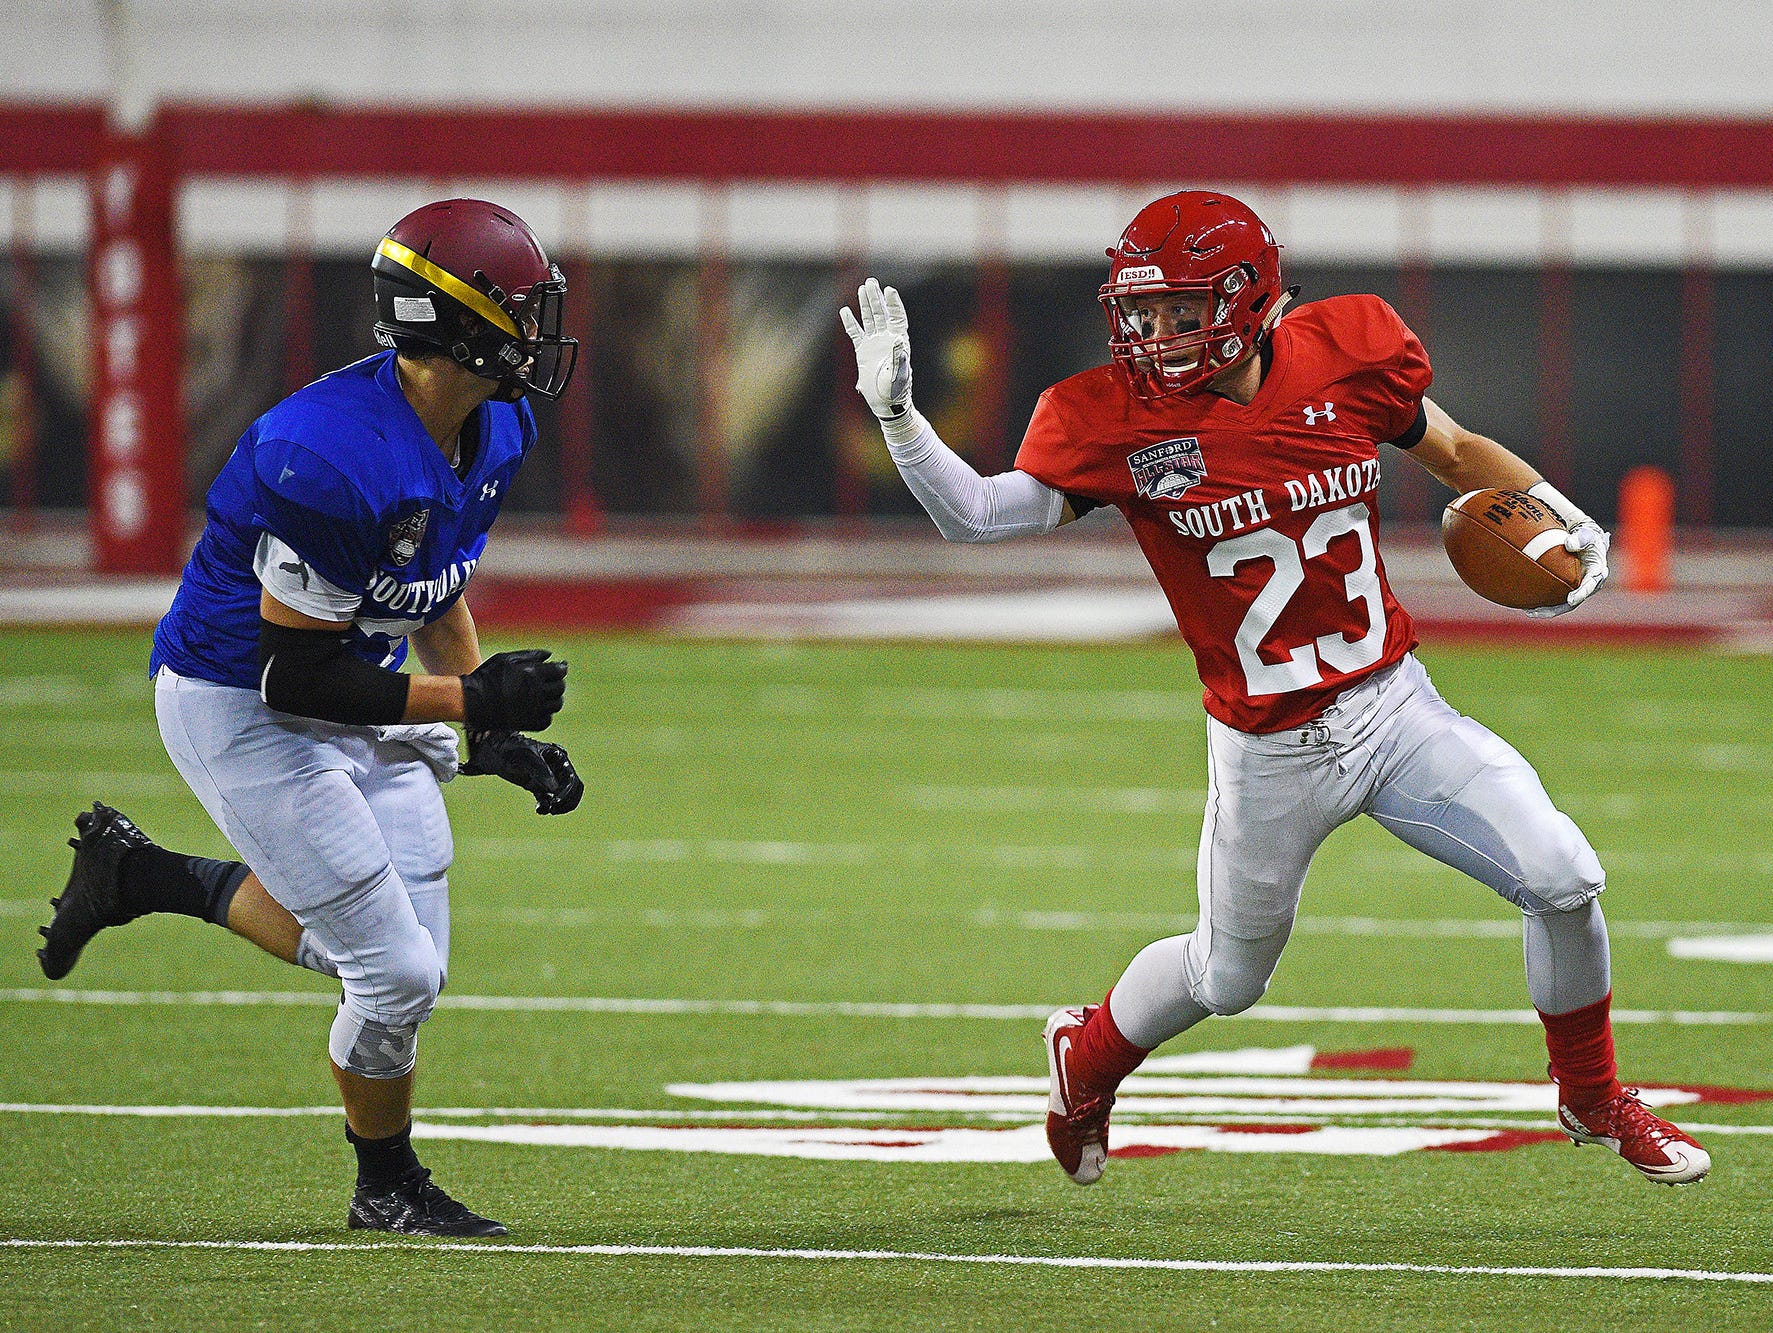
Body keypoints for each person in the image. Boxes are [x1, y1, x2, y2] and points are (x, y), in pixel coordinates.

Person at [840, 190, 1710, 1188]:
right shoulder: (1116, 419)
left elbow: (1461, 456)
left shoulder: (1349, 350)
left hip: (1393, 708)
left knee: (1563, 873)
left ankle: (1592, 1093)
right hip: (1269, 749)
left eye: (1182, 310)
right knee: (1227, 976)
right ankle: (1085, 1057)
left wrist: (1556, 515)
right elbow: (982, 516)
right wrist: (899, 417)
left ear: (1251, 297)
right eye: (1144, 313)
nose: (1158, 336)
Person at [39, 198, 587, 1236]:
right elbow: (296, 676)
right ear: (453, 322)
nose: (535, 333)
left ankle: (147, 875)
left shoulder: (494, 423)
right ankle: (386, 1186)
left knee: (400, 964)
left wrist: (494, 737)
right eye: (517, 310)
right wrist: (471, 699)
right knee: (391, 970)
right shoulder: (328, 455)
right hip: (237, 699)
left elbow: (436, 583)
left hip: (356, 673)